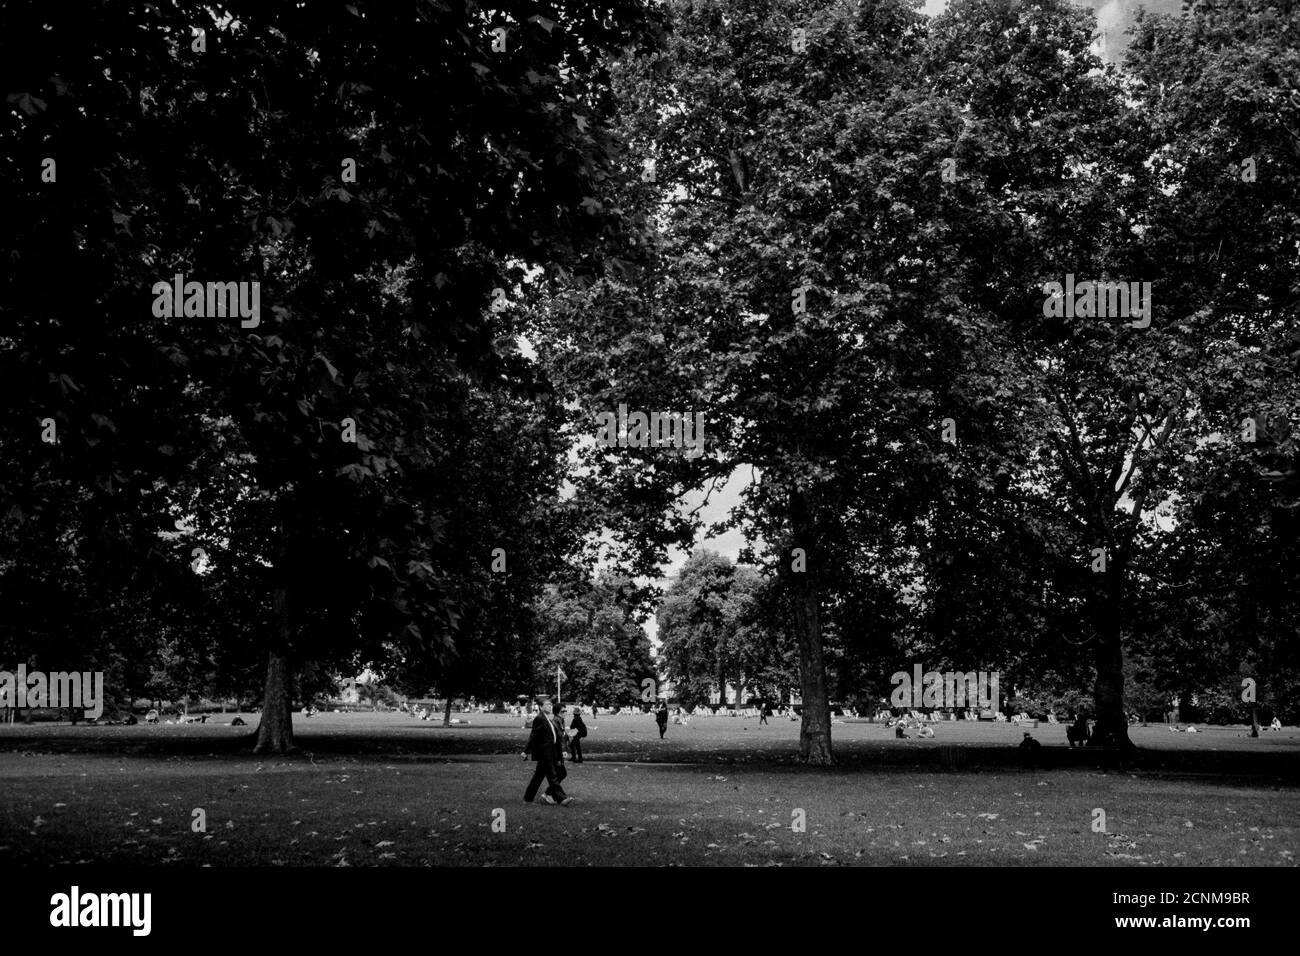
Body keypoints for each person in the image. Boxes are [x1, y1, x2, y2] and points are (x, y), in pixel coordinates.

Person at [523, 699, 570, 805]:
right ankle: (561, 798)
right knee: (552, 776)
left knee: (538, 777)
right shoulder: (540, 718)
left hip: (551, 752)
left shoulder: (548, 718)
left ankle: (528, 799)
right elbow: (533, 736)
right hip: (545, 753)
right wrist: (526, 751)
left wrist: (561, 749)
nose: (550, 706)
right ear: (540, 707)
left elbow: (555, 735)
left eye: (550, 704)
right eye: (547, 705)